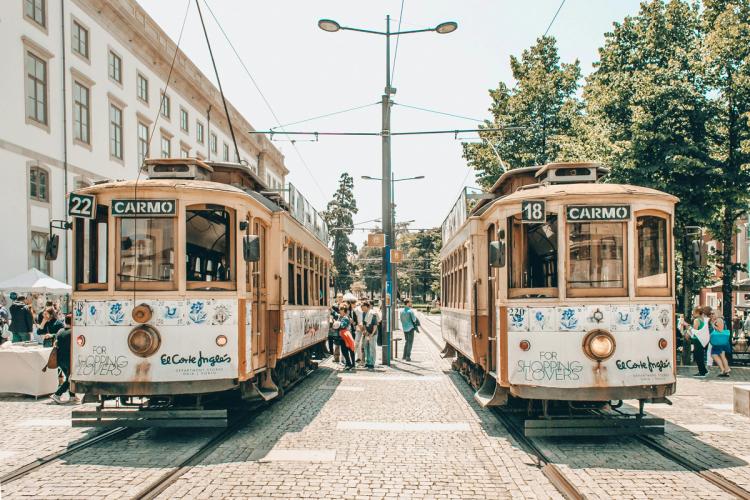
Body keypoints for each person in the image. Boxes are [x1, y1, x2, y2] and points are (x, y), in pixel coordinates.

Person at [51, 315, 79, 404]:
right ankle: (57, 394)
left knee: (69, 377)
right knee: (70, 379)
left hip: (60, 359)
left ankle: (72, 396)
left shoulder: (60, 331)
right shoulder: (73, 332)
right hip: (69, 359)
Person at [680, 306, 710, 377]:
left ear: (697, 312)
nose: (692, 313)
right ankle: (704, 370)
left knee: (697, 356)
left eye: (694, 312)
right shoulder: (703, 319)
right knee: (700, 356)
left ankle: (702, 372)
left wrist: (686, 325)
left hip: (697, 340)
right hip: (702, 341)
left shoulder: (696, 320)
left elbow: (694, 331)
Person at [709, 311, 732, 377]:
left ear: (717, 313)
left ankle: (724, 369)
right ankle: (726, 370)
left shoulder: (719, 320)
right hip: (722, 341)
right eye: (711, 314)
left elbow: (721, 330)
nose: (712, 315)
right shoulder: (720, 320)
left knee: (714, 355)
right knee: (722, 356)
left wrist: (713, 325)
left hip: (719, 341)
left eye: (713, 313)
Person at [360, 301, 379, 369]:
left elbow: (375, 325)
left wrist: (371, 334)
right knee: (366, 347)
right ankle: (368, 362)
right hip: (367, 333)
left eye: (362, 307)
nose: (361, 308)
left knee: (372, 348)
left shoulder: (372, 313)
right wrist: (365, 331)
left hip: (373, 334)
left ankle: (372, 363)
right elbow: (364, 323)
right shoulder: (363, 313)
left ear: (366, 307)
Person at [337, 304, 355, 370]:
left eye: (340, 310)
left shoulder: (345, 318)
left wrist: (336, 324)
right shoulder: (343, 317)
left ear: (343, 311)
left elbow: (342, 326)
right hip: (345, 336)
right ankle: (350, 364)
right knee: (349, 350)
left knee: (346, 350)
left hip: (345, 336)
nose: (339, 311)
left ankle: (350, 364)